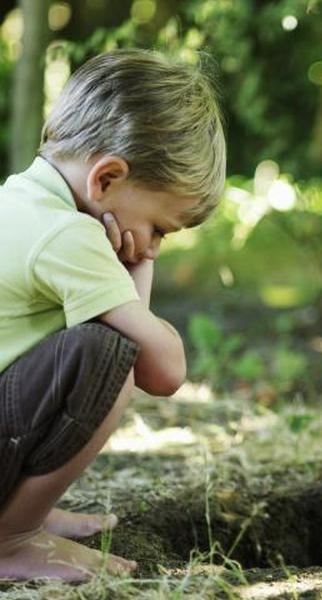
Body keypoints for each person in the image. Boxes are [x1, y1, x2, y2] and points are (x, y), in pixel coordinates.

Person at [0, 48, 226, 581]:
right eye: (160, 229)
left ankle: (20, 512)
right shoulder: (67, 235)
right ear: (106, 179)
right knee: (107, 355)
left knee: (97, 339)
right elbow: (161, 369)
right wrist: (139, 262)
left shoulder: (19, 201)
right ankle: (11, 539)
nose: (153, 244)